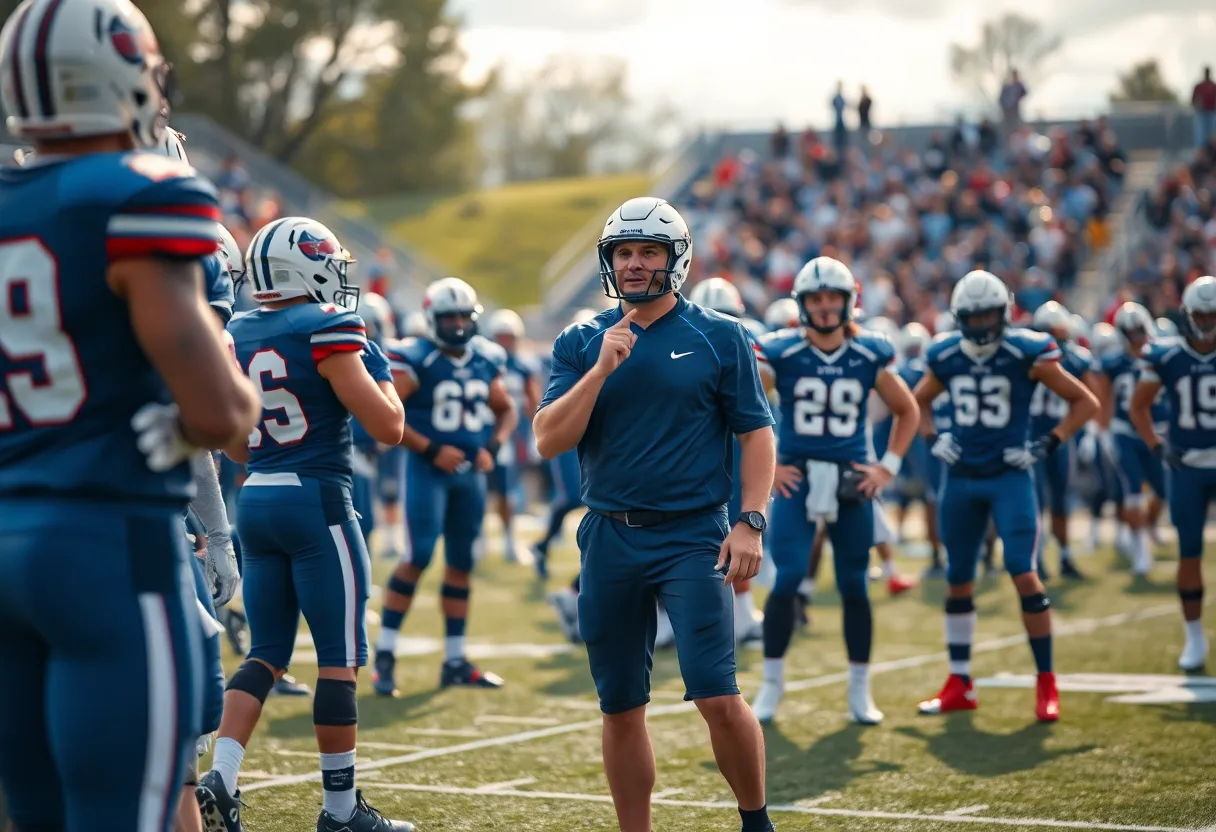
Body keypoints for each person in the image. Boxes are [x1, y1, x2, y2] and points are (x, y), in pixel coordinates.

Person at [0, 1, 262, 828]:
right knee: (130, 812)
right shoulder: (136, 190)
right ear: (118, 75)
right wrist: (195, 418)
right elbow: (225, 413)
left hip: (5, 538)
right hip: (105, 546)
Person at [534, 196, 777, 832]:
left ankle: (757, 822)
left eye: (648, 252)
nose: (635, 264)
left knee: (717, 693)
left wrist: (750, 520)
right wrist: (600, 372)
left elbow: (757, 434)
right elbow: (548, 439)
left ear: (676, 259)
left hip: (693, 536)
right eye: (624, 252)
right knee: (619, 706)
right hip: (609, 538)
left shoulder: (719, 335)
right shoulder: (582, 340)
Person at [196, 217, 414, 832]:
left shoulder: (235, 330)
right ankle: (341, 812)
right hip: (317, 503)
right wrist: (381, 375)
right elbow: (388, 426)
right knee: (338, 661)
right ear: (306, 265)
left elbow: (237, 447)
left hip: (256, 500)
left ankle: (222, 776)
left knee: (266, 651)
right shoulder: (329, 325)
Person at [911, 270, 1097, 722]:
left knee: (1023, 571)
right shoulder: (946, 354)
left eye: (989, 315)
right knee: (958, 577)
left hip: (1009, 477)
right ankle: (960, 682)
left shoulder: (1026, 351)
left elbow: (1085, 402)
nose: (980, 326)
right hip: (961, 478)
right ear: (959, 318)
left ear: (1005, 312)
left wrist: (1046, 443)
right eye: (972, 317)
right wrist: (934, 437)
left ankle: (1046, 683)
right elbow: (914, 403)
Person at [752, 258, 919, 726]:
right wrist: (774, 464)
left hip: (851, 478)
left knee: (852, 585)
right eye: (816, 299)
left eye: (832, 299)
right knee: (786, 580)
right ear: (803, 304)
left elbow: (908, 412)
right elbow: (746, 405)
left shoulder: (869, 353)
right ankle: (771, 685)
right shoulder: (780, 350)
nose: (825, 308)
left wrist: (886, 467)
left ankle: (859, 689)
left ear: (850, 302)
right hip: (797, 477)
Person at [373, 277, 518, 696]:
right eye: (448, 316)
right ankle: (385, 654)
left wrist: (493, 446)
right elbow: (389, 417)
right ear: (432, 318)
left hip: (469, 476)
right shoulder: (414, 357)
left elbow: (506, 410)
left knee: (461, 563)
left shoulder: (487, 357)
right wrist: (431, 448)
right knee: (418, 555)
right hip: (427, 472)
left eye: (462, 316)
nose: (456, 323)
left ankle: (455, 658)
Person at [1131, 275, 1216, 672]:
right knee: (1189, 552)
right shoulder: (1165, 355)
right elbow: (1139, 407)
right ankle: (1195, 637)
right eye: (1201, 315)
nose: (1206, 323)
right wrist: (1157, 446)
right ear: (1186, 315)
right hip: (1187, 468)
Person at [690, 277, 766, 643]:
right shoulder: (681, 341)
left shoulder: (750, 344)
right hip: (704, 456)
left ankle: (742, 615)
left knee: (737, 531)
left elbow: (762, 418)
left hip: (740, 450)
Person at [1094, 302, 1166, 576]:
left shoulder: (1159, 356)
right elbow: (1104, 395)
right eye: (1130, 331)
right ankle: (1140, 551)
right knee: (1132, 493)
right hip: (1125, 433)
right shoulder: (1113, 362)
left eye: (1139, 329)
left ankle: (1146, 528)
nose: (1136, 336)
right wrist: (1100, 430)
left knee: (1162, 490)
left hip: (1155, 432)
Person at [1028, 301, 1095, 580]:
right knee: (1037, 501)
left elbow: (1090, 396)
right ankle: (1038, 560)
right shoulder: (1028, 356)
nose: (1059, 338)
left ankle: (1065, 556)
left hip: (1061, 435)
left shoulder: (1075, 359)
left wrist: (1089, 432)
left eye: (1061, 332)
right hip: (1032, 436)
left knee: (1060, 500)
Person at [487, 308, 541, 567]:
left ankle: (509, 539)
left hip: (514, 434)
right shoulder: (484, 361)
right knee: (483, 489)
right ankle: (479, 538)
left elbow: (534, 401)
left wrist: (534, 432)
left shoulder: (524, 365)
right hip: (486, 432)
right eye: (501, 337)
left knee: (508, 491)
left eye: (509, 337)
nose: (504, 343)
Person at [1192, 67, 1216, 148]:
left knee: (1212, 135)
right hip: (1201, 113)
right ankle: (1201, 153)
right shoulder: (1199, 86)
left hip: (1212, 112)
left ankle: (1211, 152)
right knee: (1200, 135)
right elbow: (1193, 99)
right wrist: (1196, 108)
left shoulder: (1213, 86)